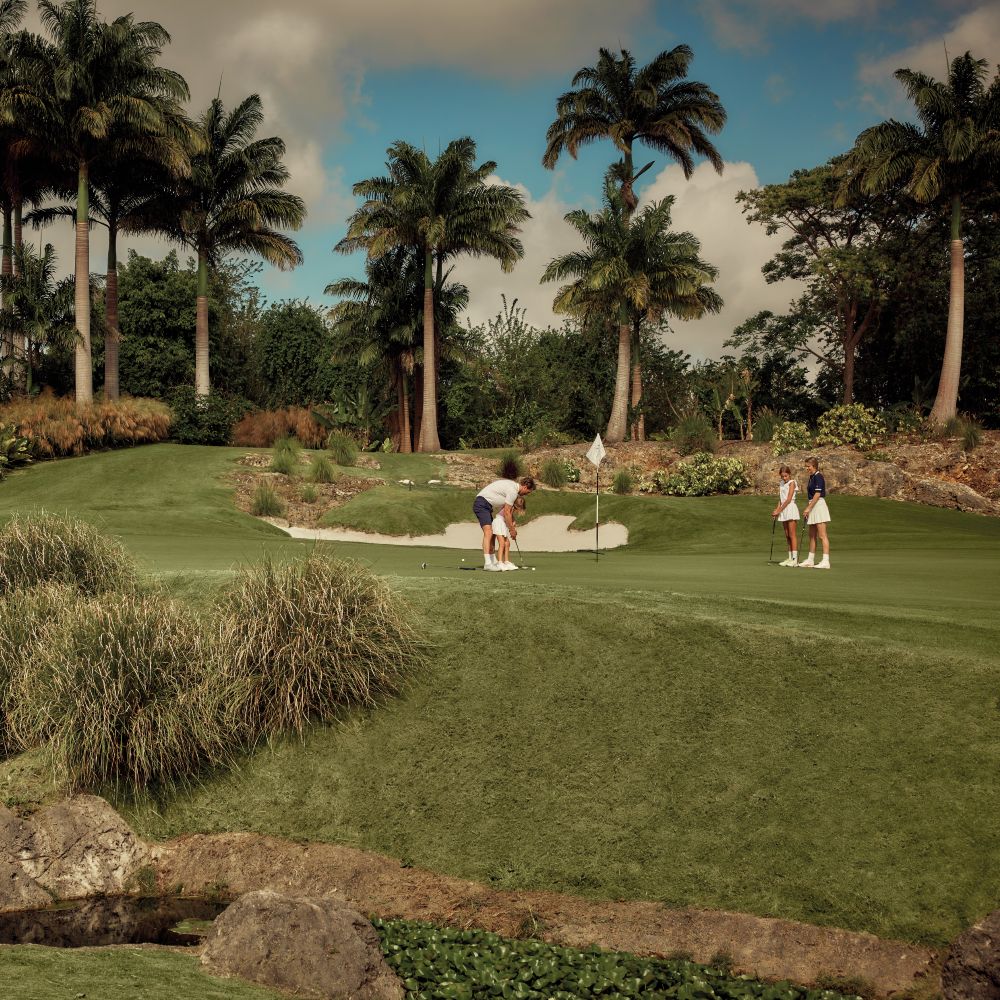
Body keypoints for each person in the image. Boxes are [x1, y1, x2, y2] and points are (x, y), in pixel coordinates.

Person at [473, 476, 535, 571]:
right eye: (528, 492)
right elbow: (506, 512)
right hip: (482, 503)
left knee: (492, 534)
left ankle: (493, 562)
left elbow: (508, 511)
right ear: (525, 487)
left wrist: (511, 525)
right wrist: (512, 530)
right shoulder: (513, 491)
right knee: (488, 532)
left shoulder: (513, 487)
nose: (526, 494)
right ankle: (488, 564)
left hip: (487, 505)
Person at [800, 457, 831, 569]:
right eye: (806, 466)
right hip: (813, 505)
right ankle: (810, 560)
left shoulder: (818, 477)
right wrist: (809, 508)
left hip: (819, 506)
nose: (807, 468)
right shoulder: (811, 477)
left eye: (808, 466)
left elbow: (817, 495)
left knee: (822, 535)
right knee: (812, 535)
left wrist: (808, 508)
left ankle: (826, 561)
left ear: (814, 466)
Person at [772, 465, 800, 566]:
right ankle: (789, 558)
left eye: (786, 476)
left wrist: (778, 511)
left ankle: (795, 559)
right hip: (783, 509)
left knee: (792, 535)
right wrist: (776, 510)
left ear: (789, 474)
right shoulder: (781, 483)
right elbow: (781, 499)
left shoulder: (792, 483)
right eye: (782, 476)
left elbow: (788, 499)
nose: (784, 478)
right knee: (787, 535)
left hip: (790, 508)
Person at [491, 496, 526, 571]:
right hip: (498, 522)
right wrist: (512, 528)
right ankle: (500, 563)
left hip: (502, 523)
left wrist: (513, 521)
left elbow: (510, 516)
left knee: (507, 543)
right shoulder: (509, 506)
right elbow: (507, 516)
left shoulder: (512, 508)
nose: (519, 508)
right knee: (502, 543)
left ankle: (506, 562)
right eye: (519, 506)